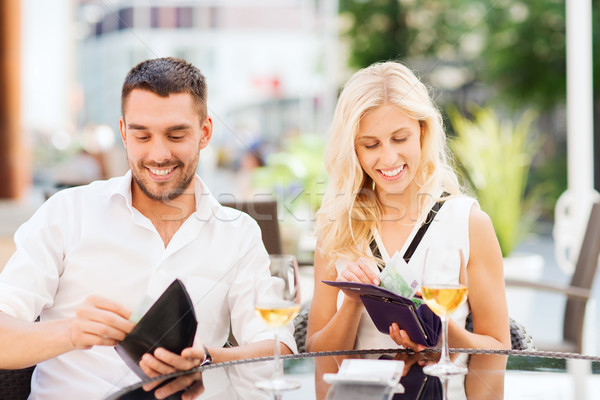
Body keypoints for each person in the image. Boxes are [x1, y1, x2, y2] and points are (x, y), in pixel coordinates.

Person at [0, 57, 296, 399]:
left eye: (176, 134)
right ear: (124, 132)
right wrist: (69, 332)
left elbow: (278, 348)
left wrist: (210, 361)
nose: (159, 154)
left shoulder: (238, 233)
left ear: (204, 133)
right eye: (142, 135)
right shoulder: (66, 213)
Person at [306, 61, 510, 395]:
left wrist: (439, 333)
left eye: (400, 138)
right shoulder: (336, 226)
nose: (387, 158)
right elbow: (320, 358)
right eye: (370, 145)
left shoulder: (467, 222)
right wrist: (356, 303)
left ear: (423, 132)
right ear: (352, 149)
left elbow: (496, 353)